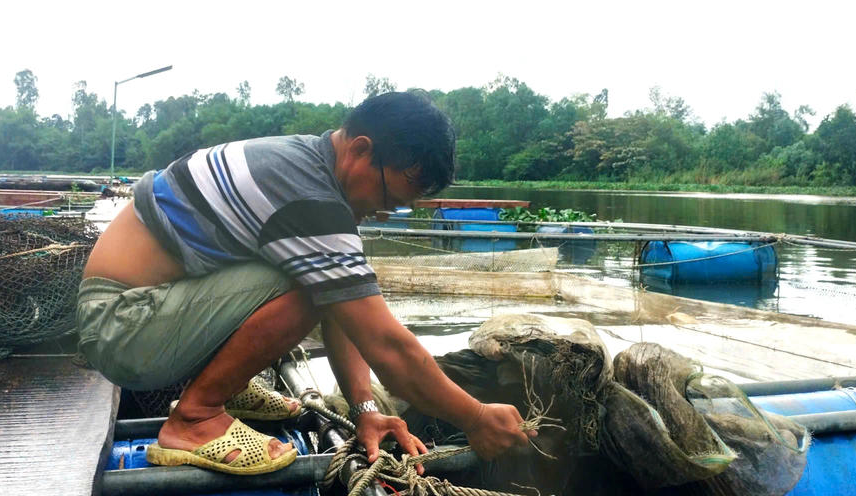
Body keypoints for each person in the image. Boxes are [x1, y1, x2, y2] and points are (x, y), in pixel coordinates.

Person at [77, 91, 534, 474]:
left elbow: (343, 307)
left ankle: (225, 387)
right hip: (123, 326)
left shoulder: (303, 163)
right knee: (309, 284)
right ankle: (196, 417)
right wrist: (474, 416)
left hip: (140, 312)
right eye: (389, 195)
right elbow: (388, 348)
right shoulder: (310, 198)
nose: (383, 211)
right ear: (359, 150)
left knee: (327, 282)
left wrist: (365, 411)